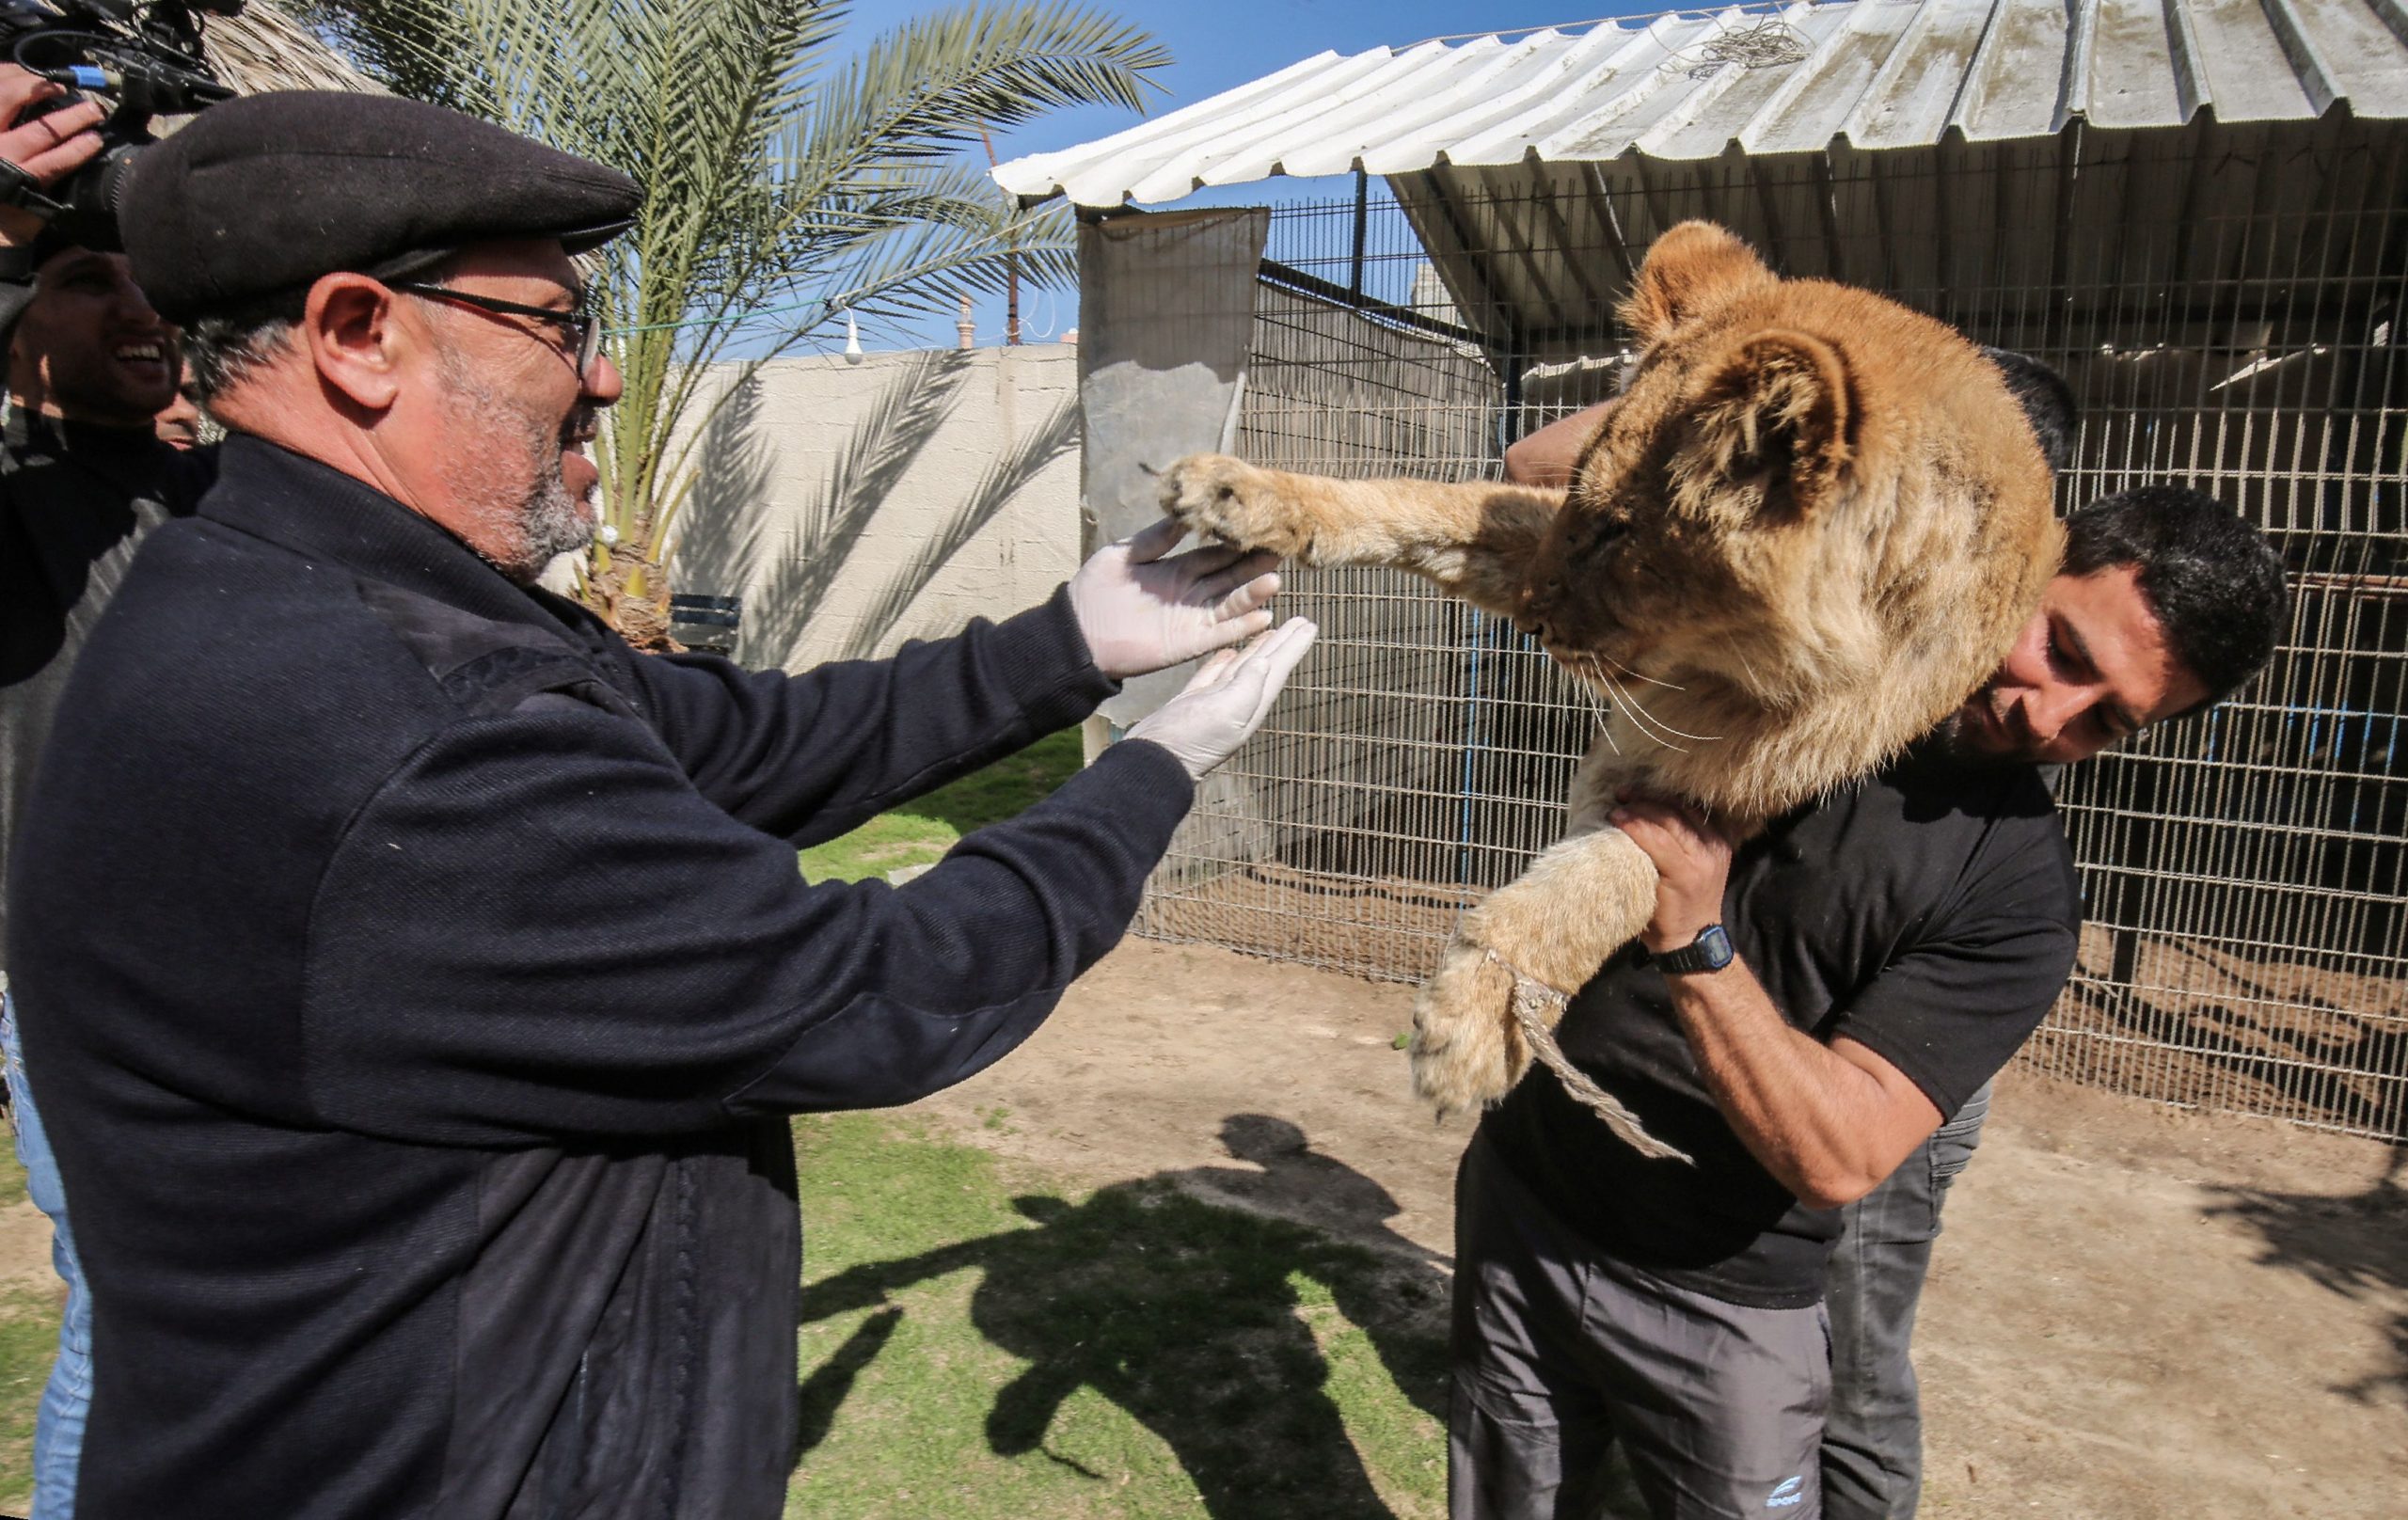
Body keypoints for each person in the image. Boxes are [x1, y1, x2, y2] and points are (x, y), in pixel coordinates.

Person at [5, 90, 1315, 1519]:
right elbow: (875, 994)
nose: (608, 376)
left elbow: (746, 743)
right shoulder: (395, 724)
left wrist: (1068, 642)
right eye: (557, 324)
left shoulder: (310, 591)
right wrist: (1152, 775)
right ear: (356, 334)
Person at [1455, 365, 2287, 1519]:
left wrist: (1695, 933)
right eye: (2064, 650)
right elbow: (1534, 475)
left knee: (1859, 1372)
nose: (2047, 716)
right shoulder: (1797, 627)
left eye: (2105, 720)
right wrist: (1819, 373)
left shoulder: (2018, 898)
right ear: (2025, 553)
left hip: (1722, 1291)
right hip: (1524, 1195)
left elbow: (1842, 1155)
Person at [0, 60, 207, 1520]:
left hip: (239, 958)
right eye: (87, 282)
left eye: (151, 287)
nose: (140, 310)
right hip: (75, 977)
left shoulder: (213, 495)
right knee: (131, 1312)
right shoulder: (19, 511)